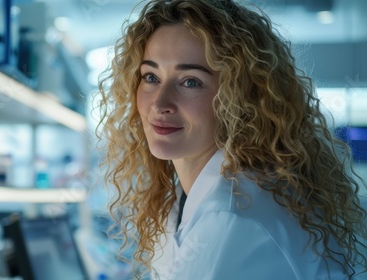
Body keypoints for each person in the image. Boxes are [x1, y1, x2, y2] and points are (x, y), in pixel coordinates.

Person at [95, 0, 367, 279]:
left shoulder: (236, 217)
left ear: (239, 98)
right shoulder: (195, 198)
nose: (160, 103)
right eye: (151, 77)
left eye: (190, 82)